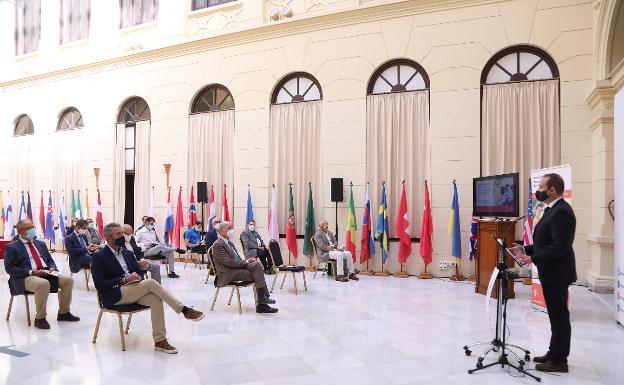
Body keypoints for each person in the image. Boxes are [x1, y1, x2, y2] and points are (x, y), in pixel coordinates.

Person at [91, 222, 205, 354]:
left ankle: (160, 341)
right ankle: (184, 310)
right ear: (108, 238)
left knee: (155, 299)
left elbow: (138, 273)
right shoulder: (99, 256)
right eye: (119, 234)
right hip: (114, 294)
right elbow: (99, 283)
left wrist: (139, 272)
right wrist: (123, 279)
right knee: (150, 283)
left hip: (132, 289)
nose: (122, 236)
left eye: (122, 233)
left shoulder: (127, 253)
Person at [513, 173, 576, 373]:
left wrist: (533, 258)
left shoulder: (561, 212)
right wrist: (525, 249)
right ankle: (553, 352)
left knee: (559, 317)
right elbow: (544, 242)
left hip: (557, 272)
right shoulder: (551, 209)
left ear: (552, 190)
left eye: (540, 186)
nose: (537, 190)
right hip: (551, 271)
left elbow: (560, 245)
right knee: (555, 316)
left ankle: (560, 361)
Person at [3, 219, 80, 329]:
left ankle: (63, 313)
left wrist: (53, 268)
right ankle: (40, 318)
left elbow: (49, 260)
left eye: (32, 227)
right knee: (42, 284)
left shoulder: (40, 243)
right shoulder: (12, 247)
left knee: (68, 280)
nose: (32, 230)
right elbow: (10, 268)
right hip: (26, 276)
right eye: (29, 228)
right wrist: (32, 272)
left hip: (45, 272)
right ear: (20, 231)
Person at [211, 221, 278, 313]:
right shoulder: (218, 244)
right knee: (257, 274)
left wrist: (247, 261)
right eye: (229, 228)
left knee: (257, 265)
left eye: (232, 228)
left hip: (235, 268)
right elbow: (228, 262)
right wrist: (246, 261)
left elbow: (237, 260)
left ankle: (263, 301)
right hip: (226, 273)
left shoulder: (229, 243)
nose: (232, 230)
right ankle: (262, 302)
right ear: (222, 231)